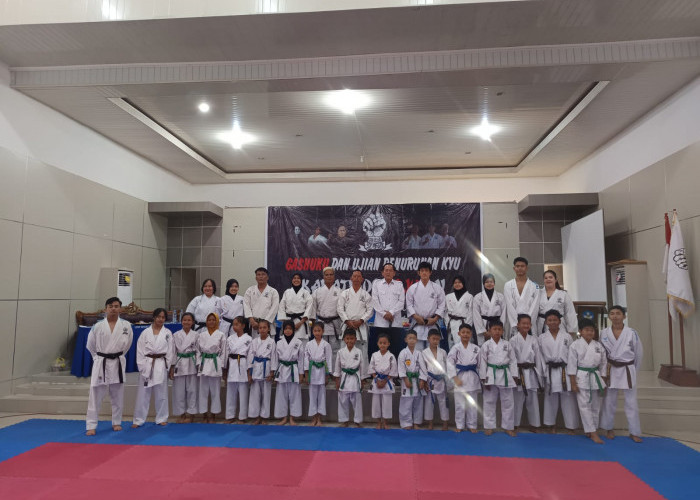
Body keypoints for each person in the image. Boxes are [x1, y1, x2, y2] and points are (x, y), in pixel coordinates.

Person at [85, 297, 134, 436]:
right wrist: (97, 358)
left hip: (117, 361)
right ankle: (91, 425)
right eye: (110, 306)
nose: (113, 308)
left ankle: (116, 422)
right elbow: (90, 345)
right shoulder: (98, 326)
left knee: (117, 395)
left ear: (120, 309)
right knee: (95, 395)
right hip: (101, 361)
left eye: (116, 306)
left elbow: (128, 345)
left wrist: (118, 355)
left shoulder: (126, 326)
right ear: (105, 308)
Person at [599, 306, 644, 443]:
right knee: (609, 401)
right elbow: (601, 354)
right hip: (611, 369)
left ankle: (634, 431)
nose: (615, 316)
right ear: (609, 316)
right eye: (612, 313)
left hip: (627, 368)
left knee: (631, 402)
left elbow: (638, 354)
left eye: (618, 313)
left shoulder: (632, 333)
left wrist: (634, 370)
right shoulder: (603, 333)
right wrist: (603, 371)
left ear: (624, 316)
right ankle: (608, 428)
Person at [538, 310, 580, 434]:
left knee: (568, 398)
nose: (552, 322)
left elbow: (572, 356)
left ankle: (571, 426)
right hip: (550, 370)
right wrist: (542, 373)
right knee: (550, 398)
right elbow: (540, 357)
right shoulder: (541, 338)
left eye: (555, 320)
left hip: (564, 370)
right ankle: (551, 425)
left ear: (560, 321)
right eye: (550, 320)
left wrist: (573, 374)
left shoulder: (567, 337)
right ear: (546, 322)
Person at [132, 308, 174, 428]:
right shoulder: (145, 332)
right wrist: (142, 366)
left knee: (162, 393)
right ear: (154, 317)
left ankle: (162, 418)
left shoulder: (167, 333)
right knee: (143, 394)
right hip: (147, 363)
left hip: (161, 363)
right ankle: (138, 420)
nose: (161, 319)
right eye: (159, 317)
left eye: (163, 317)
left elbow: (170, 351)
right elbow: (139, 350)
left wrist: (167, 366)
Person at [568, 318, 607, 444]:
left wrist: (603, 380)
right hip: (582, 376)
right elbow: (571, 365)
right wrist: (573, 383)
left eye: (592, 330)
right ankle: (593, 432)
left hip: (595, 377)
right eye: (586, 330)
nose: (589, 332)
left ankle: (592, 429)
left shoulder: (598, 346)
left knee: (596, 406)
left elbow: (603, 364)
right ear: (580, 331)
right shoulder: (575, 345)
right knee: (584, 406)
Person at [479, 320, 519, 437]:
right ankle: (489, 426)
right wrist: (483, 378)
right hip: (491, 374)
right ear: (489, 331)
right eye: (494, 329)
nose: (497, 331)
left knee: (508, 402)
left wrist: (514, 375)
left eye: (499, 329)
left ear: (502, 331)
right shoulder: (486, 345)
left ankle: (508, 427)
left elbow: (513, 361)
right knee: (489, 401)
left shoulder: (507, 344)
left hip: (505, 374)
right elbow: (482, 362)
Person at [510, 314, 542, 432]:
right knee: (517, 400)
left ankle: (534, 424)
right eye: (523, 323)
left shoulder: (534, 340)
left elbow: (538, 358)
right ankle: (514, 424)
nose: (526, 325)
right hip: (519, 372)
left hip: (531, 372)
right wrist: (514, 375)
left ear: (531, 325)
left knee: (533, 399)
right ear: (518, 325)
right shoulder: (513, 340)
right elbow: (511, 360)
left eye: (528, 323)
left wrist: (540, 376)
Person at [447, 324, 481, 433]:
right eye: (463, 332)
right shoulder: (455, 348)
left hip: (472, 377)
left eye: (468, 332)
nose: (465, 334)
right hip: (459, 377)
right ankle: (460, 425)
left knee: (472, 404)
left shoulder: (476, 348)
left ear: (471, 334)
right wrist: (454, 377)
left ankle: (472, 425)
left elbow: (480, 365)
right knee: (459, 404)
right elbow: (450, 363)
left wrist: (482, 378)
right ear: (459, 333)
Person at [338, 269, 374, 370]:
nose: (356, 278)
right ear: (351, 278)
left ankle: (363, 375)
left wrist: (361, 320)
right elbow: (340, 309)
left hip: (361, 326)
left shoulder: (366, 295)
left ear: (362, 279)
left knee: (362, 351)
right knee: (345, 349)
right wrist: (347, 320)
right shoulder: (345, 293)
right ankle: (344, 371)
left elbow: (370, 310)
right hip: (347, 325)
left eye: (359, 276)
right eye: (354, 276)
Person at [406, 261, 446, 349]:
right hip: (417, 323)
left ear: (430, 272)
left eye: (426, 270)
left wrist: (435, 319)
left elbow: (442, 305)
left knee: (433, 352)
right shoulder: (412, 288)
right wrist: (416, 317)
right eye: (422, 270)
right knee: (416, 351)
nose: (424, 273)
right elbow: (409, 304)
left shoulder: (437, 288)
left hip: (432, 323)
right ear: (419, 273)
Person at [371, 263, 406, 358]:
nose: (388, 272)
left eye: (390, 270)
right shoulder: (377, 284)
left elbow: (401, 301)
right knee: (380, 350)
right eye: (386, 270)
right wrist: (384, 314)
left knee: (395, 349)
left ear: (394, 273)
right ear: (382, 273)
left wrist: (391, 313)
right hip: (381, 322)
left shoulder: (399, 285)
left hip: (395, 322)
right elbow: (375, 301)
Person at [274, 320, 305, 425]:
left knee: (294, 394)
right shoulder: (279, 342)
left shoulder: (298, 342)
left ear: (293, 330)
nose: (287, 331)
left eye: (290, 329)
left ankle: (292, 417)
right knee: (281, 394)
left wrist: (301, 374)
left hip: (294, 369)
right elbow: (276, 359)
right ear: (283, 330)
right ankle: (283, 417)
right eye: (286, 329)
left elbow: (301, 359)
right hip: (282, 369)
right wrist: (275, 374)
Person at [334, 328, 367, 427]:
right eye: (347, 338)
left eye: (352, 338)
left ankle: (357, 421)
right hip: (344, 378)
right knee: (343, 401)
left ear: (355, 339)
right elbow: (337, 367)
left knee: (357, 401)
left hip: (355, 379)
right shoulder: (340, 352)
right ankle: (344, 421)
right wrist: (337, 380)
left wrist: (362, 380)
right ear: (344, 339)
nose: (349, 341)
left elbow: (362, 366)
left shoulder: (359, 352)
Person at [197, 312, 226, 423]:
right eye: (209, 320)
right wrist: (198, 363)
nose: (211, 322)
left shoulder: (221, 335)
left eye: (214, 320)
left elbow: (223, 352)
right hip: (204, 363)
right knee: (203, 391)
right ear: (206, 322)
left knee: (215, 391)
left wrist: (222, 366)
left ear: (217, 321)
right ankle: (204, 414)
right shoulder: (201, 335)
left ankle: (213, 414)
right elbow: (197, 351)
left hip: (215, 363)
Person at [169, 312, 198, 424]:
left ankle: (191, 414)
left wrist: (199, 365)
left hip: (192, 363)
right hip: (179, 363)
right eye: (184, 320)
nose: (186, 322)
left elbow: (199, 351)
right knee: (179, 391)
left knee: (192, 390)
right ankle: (182, 413)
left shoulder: (196, 335)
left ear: (193, 322)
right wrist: (172, 367)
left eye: (189, 320)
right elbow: (173, 352)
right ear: (181, 322)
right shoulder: (176, 335)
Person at [247, 319, 277, 425]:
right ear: (258, 330)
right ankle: (256, 416)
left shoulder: (271, 342)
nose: (262, 330)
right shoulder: (254, 341)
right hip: (255, 368)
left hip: (266, 367)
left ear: (268, 329)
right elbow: (250, 357)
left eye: (265, 327)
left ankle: (264, 417)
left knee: (266, 394)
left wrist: (272, 372)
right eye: (260, 328)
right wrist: (249, 373)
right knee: (255, 394)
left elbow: (274, 357)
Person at [223, 316, 252, 423]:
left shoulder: (249, 339)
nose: (234, 326)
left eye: (237, 324)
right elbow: (225, 355)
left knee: (243, 393)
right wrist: (225, 371)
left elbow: (250, 357)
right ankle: (230, 416)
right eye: (233, 324)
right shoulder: (230, 338)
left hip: (243, 364)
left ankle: (242, 417)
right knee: (230, 393)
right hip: (232, 365)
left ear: (243, 326)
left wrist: (249, 373)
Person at [419, 329, 449, 431]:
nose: (435, 341)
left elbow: (447, 366)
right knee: (429, 402)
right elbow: (423, 368)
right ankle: (430, 423)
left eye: (437, 339)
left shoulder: (443, 352)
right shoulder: (424, 352)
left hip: (441, 379)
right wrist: (424, 381)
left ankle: (445, 423)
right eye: (433, 339)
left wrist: (447, 379)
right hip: (430, 380)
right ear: (428, 339)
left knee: (444, 402)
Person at [304, 321, 333, 426]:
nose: (317, 333)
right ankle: (313, 418)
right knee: (312, 395)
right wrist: (306, 373)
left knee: (321, 395)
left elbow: (329, 359)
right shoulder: (308, 344)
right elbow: (306, 359)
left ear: (323, 331)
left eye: (319, 330)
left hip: (322, 371)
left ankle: (319, 418)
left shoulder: (326, 345)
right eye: (315, 331)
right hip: (312, 371)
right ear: (312, 332)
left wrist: (327, 375)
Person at [504, 257, 540, 338]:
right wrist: (516, 323)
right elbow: (509, 306)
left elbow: (535, 306)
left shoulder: (535, 286)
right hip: (514, 324)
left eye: (522, 266)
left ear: (527, 268)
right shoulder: (508, 285)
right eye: (517, 266)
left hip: (529, 325)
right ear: (514, 268)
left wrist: (527, 323)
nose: (520, 268)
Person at [368, 333, 398, 430]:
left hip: (387, 381)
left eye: (384, 343)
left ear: (388, 344)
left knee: (387, 403)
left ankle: (385, 422)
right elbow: (371, 368)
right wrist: (376, 379)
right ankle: (378, 422)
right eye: (380, 343)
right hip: (376, 380)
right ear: (377, 343)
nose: (382, 345)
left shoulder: (391, 356)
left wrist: (385, 381)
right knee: (376, 403)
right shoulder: (374, 355)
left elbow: (393, 370)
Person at [536, 270, 578, 336]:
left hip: (559, 324)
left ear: (555, 280)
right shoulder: (538, 293)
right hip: (542, 324)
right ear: (543, 280)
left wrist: (571, 329)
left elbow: (570, 312)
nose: (548, 279)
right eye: (546, 278)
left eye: (550, 277)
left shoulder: (563, 294)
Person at [312, 267, 343, 354]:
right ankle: (322, 364)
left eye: (331, 275)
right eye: (327, 275)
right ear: (323, 277)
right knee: (321, 349)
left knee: (335, 350)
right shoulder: (317, 292)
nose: (329, 276)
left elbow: (342, 310)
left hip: (335, 323)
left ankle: (334, 364)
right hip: (321, 323)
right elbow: (313, 310)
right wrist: (313, 325)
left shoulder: (340, 292)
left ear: (334, 276)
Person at [244, 267, 280, 339]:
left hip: (268, 325)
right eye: (258, 274)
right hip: (254, 325)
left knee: (268, 345)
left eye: (263, 274)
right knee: (254, 344)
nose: (261, 276)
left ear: (267, 277)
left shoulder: (273, 291)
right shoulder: (250, 290)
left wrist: (265, 323)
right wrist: (251, 320)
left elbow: (274, 308)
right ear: (256, 278)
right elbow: (246, 305)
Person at [397, 330, 423, 430]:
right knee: (406, 402)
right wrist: (405, 379)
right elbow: (401, 368)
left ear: (417, 340)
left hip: (417, 380)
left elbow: (423, 368)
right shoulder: (403, 353)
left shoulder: (419, 353)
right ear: (406, 340)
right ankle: (406, 422)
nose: (412, 340)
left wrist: (422, 380)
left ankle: (416, 422)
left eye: (414, 338)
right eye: (410, 338)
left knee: (418, 402)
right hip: (407, 380)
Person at [471, 273, 507, 346]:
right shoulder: (478, 297)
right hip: (483, 325)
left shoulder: (500, 296)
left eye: (491, 282)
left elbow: (504, 313)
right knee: (483, 347)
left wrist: (499, 328)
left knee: (497, 345)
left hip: (497, 324)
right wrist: (484, 332)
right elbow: (476, 315)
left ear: (494, 283)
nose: (489, 284)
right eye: (487, 282)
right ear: (483, 284)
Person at [278, 272, 313, 342]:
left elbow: (309, 307)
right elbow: (281, 307)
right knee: (288, 342)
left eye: (298, 278)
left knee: (302, 342)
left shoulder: (306, 293)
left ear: (301, 280)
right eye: (294, 278)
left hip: (301, 321)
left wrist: (300, 323)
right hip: (288, 321)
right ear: (292, 280)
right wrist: (287, 323)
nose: (296, 280)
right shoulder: (287, 292)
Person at [445, 275, 474, 346]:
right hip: (452, 324)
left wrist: (467, 326)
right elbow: (445, 312)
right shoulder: (448, 297)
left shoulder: (469, 297)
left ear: (463, 283)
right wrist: (448, 323)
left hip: (464, 323)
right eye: (455, 283)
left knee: (464, 345)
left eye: (459, 282)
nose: (457, 284)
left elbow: (471, 313)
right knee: (452, 346)